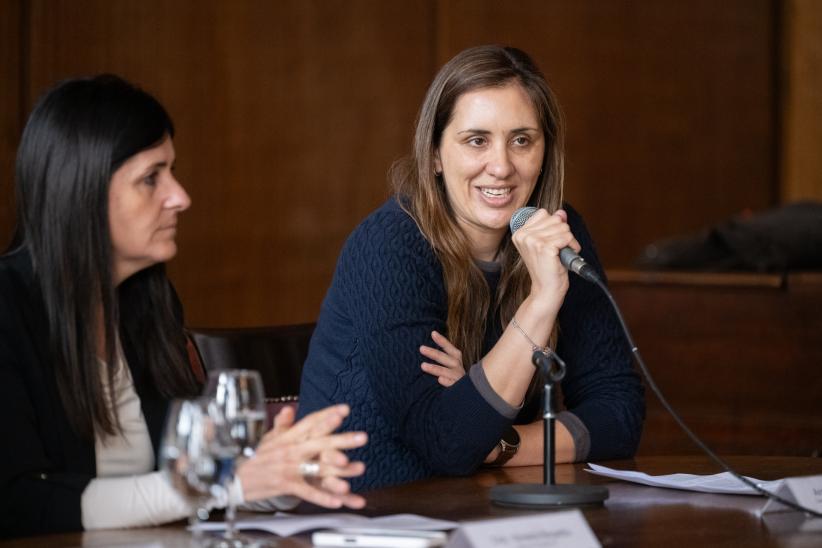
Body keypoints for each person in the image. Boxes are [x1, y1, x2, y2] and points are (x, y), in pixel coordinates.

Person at [0, 75, 366, 538]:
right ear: (82, 191)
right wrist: (221, 484)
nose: (180, 197)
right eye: (151, 178)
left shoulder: (146, 305)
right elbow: (16, 502)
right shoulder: (8, 308)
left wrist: (279, 472)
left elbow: (188, 478)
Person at [297, 45, 645, 491]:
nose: (501, 167)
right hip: (365, 514)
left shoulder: (557, 232)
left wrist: (499, 441)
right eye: (476, 140)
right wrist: (541, 301)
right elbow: (449, 442)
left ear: (545, 151)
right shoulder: (391, 245)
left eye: (522, 140)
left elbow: (619, 414)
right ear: (436, 155)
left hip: (480, 509)